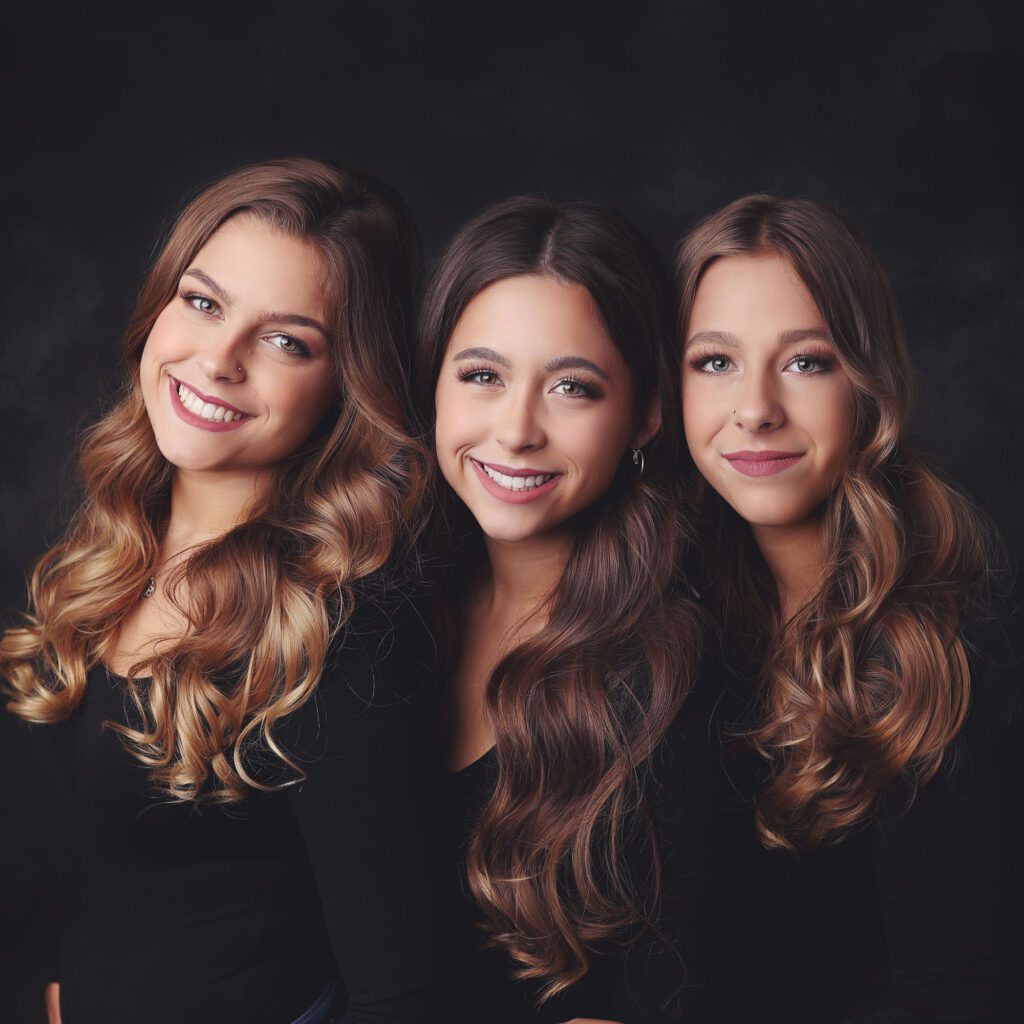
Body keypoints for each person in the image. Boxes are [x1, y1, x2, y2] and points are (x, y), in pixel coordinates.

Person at [0, 158, 437, 1024]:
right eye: (203, 302)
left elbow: (401, 989)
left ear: (346, 385)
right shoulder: (110, 548)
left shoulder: (339, 629)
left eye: (286, 341)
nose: (219, 358)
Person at [674, 194, 1020, 1022]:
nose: (755, 408)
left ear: (868, 385)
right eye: (715, 362)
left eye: (807, 362)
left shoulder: (943, 649)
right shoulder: (681, 601)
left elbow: (956, 994)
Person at [417, 196, 715, 1024]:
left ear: (645, 414)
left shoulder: (672, 674)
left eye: (572, 389)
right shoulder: (392, 615)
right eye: (482, 376)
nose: (516, 431)